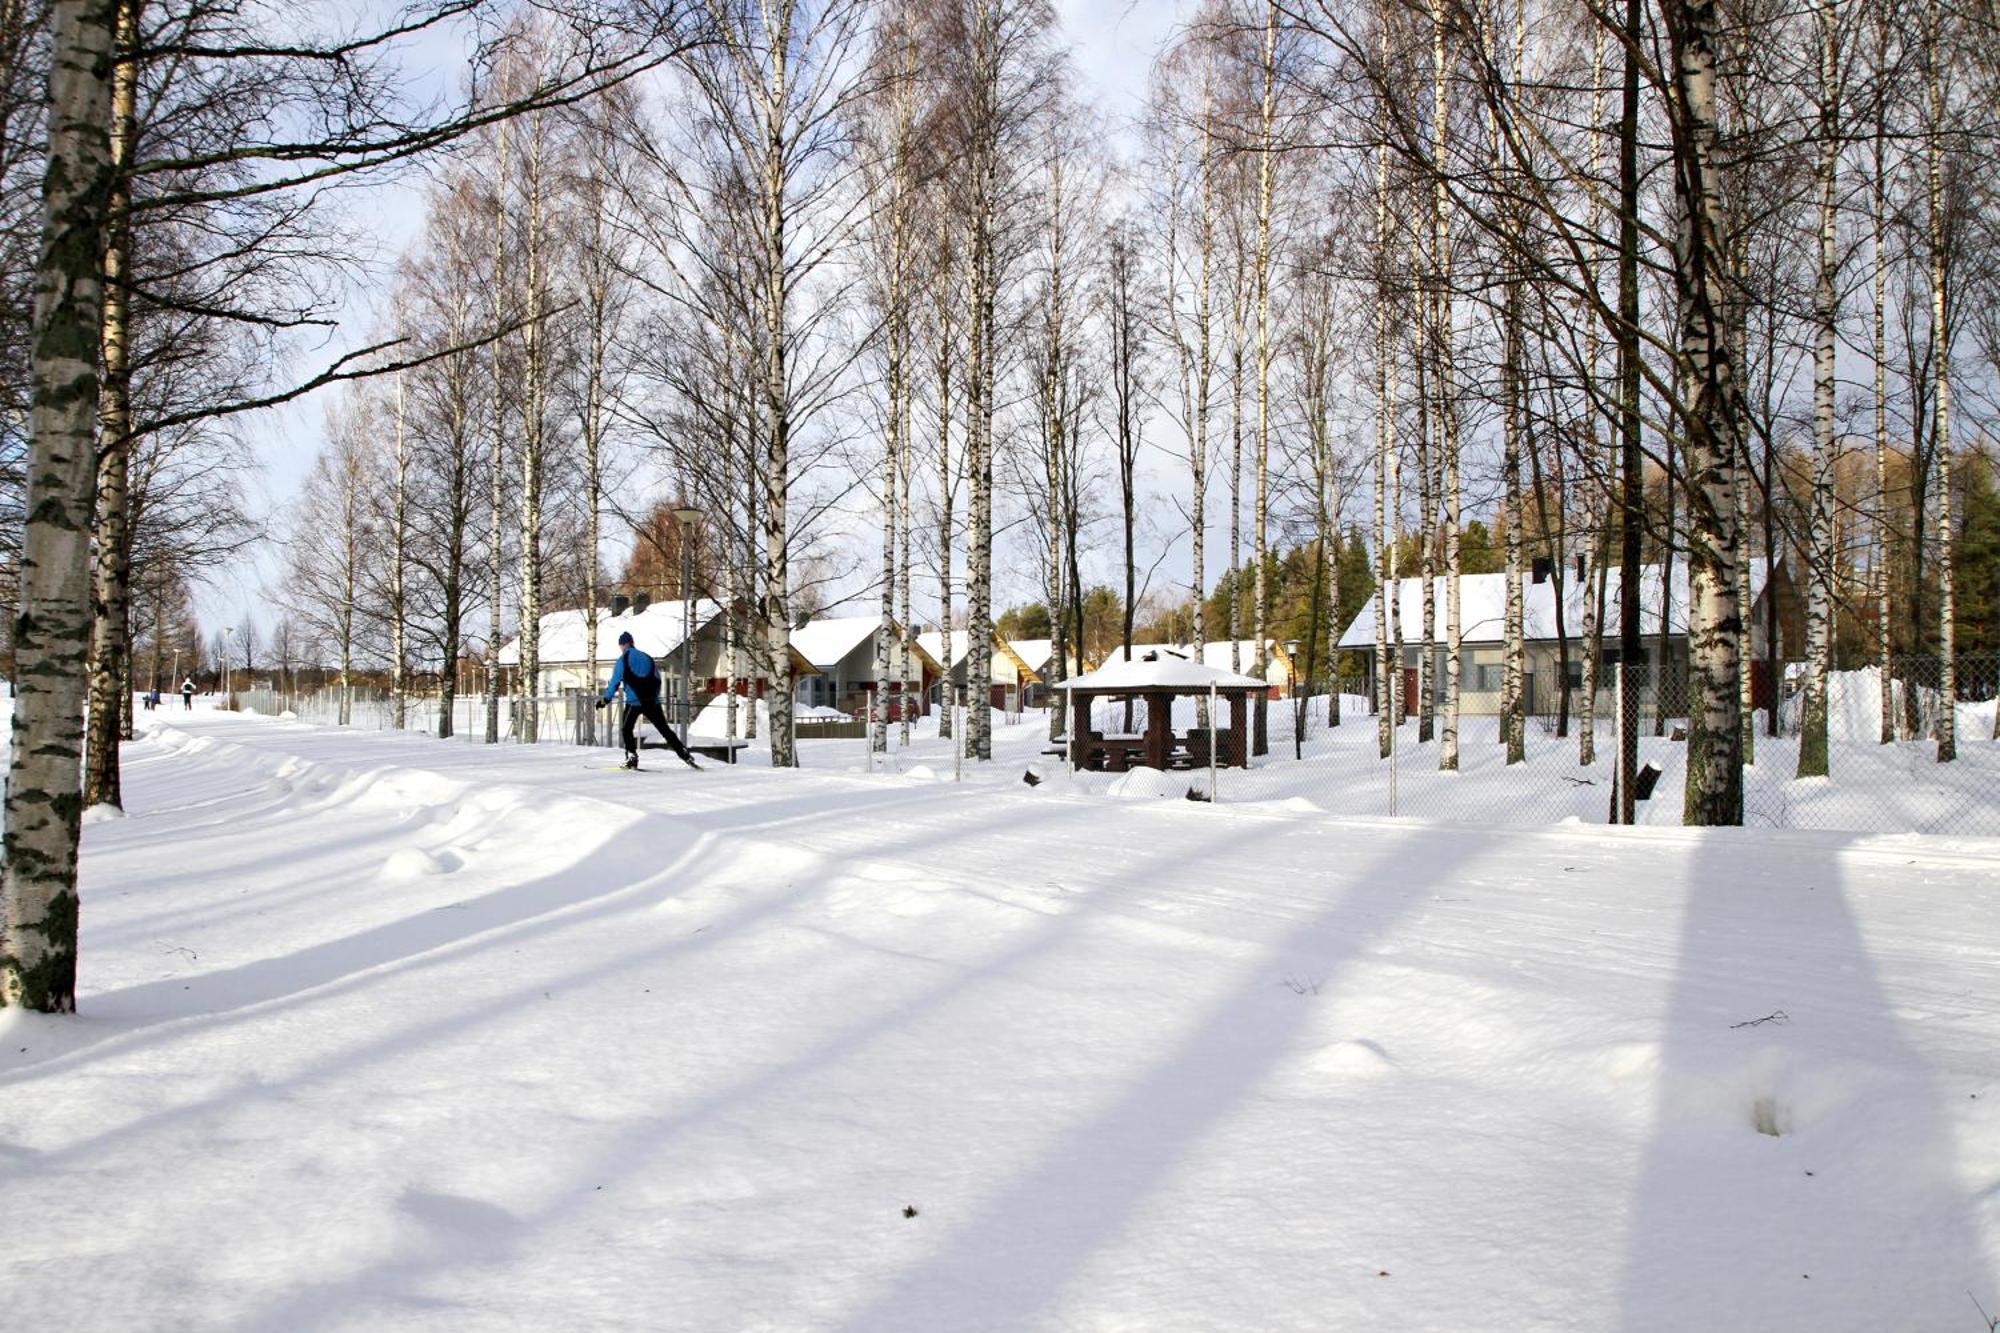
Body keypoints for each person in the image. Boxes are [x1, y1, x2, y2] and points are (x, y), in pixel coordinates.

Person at [597, 631, 699, 769]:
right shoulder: (647, 657)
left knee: (626, 729)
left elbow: (614, 682)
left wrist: (605, 700)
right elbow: (657, 679)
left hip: (634, 702)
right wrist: (653, 696)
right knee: (665, 730)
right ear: (632, 643)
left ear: (622, 645)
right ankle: (684, 754)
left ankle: (632, 757)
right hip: (652, 701)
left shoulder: (623, 660)